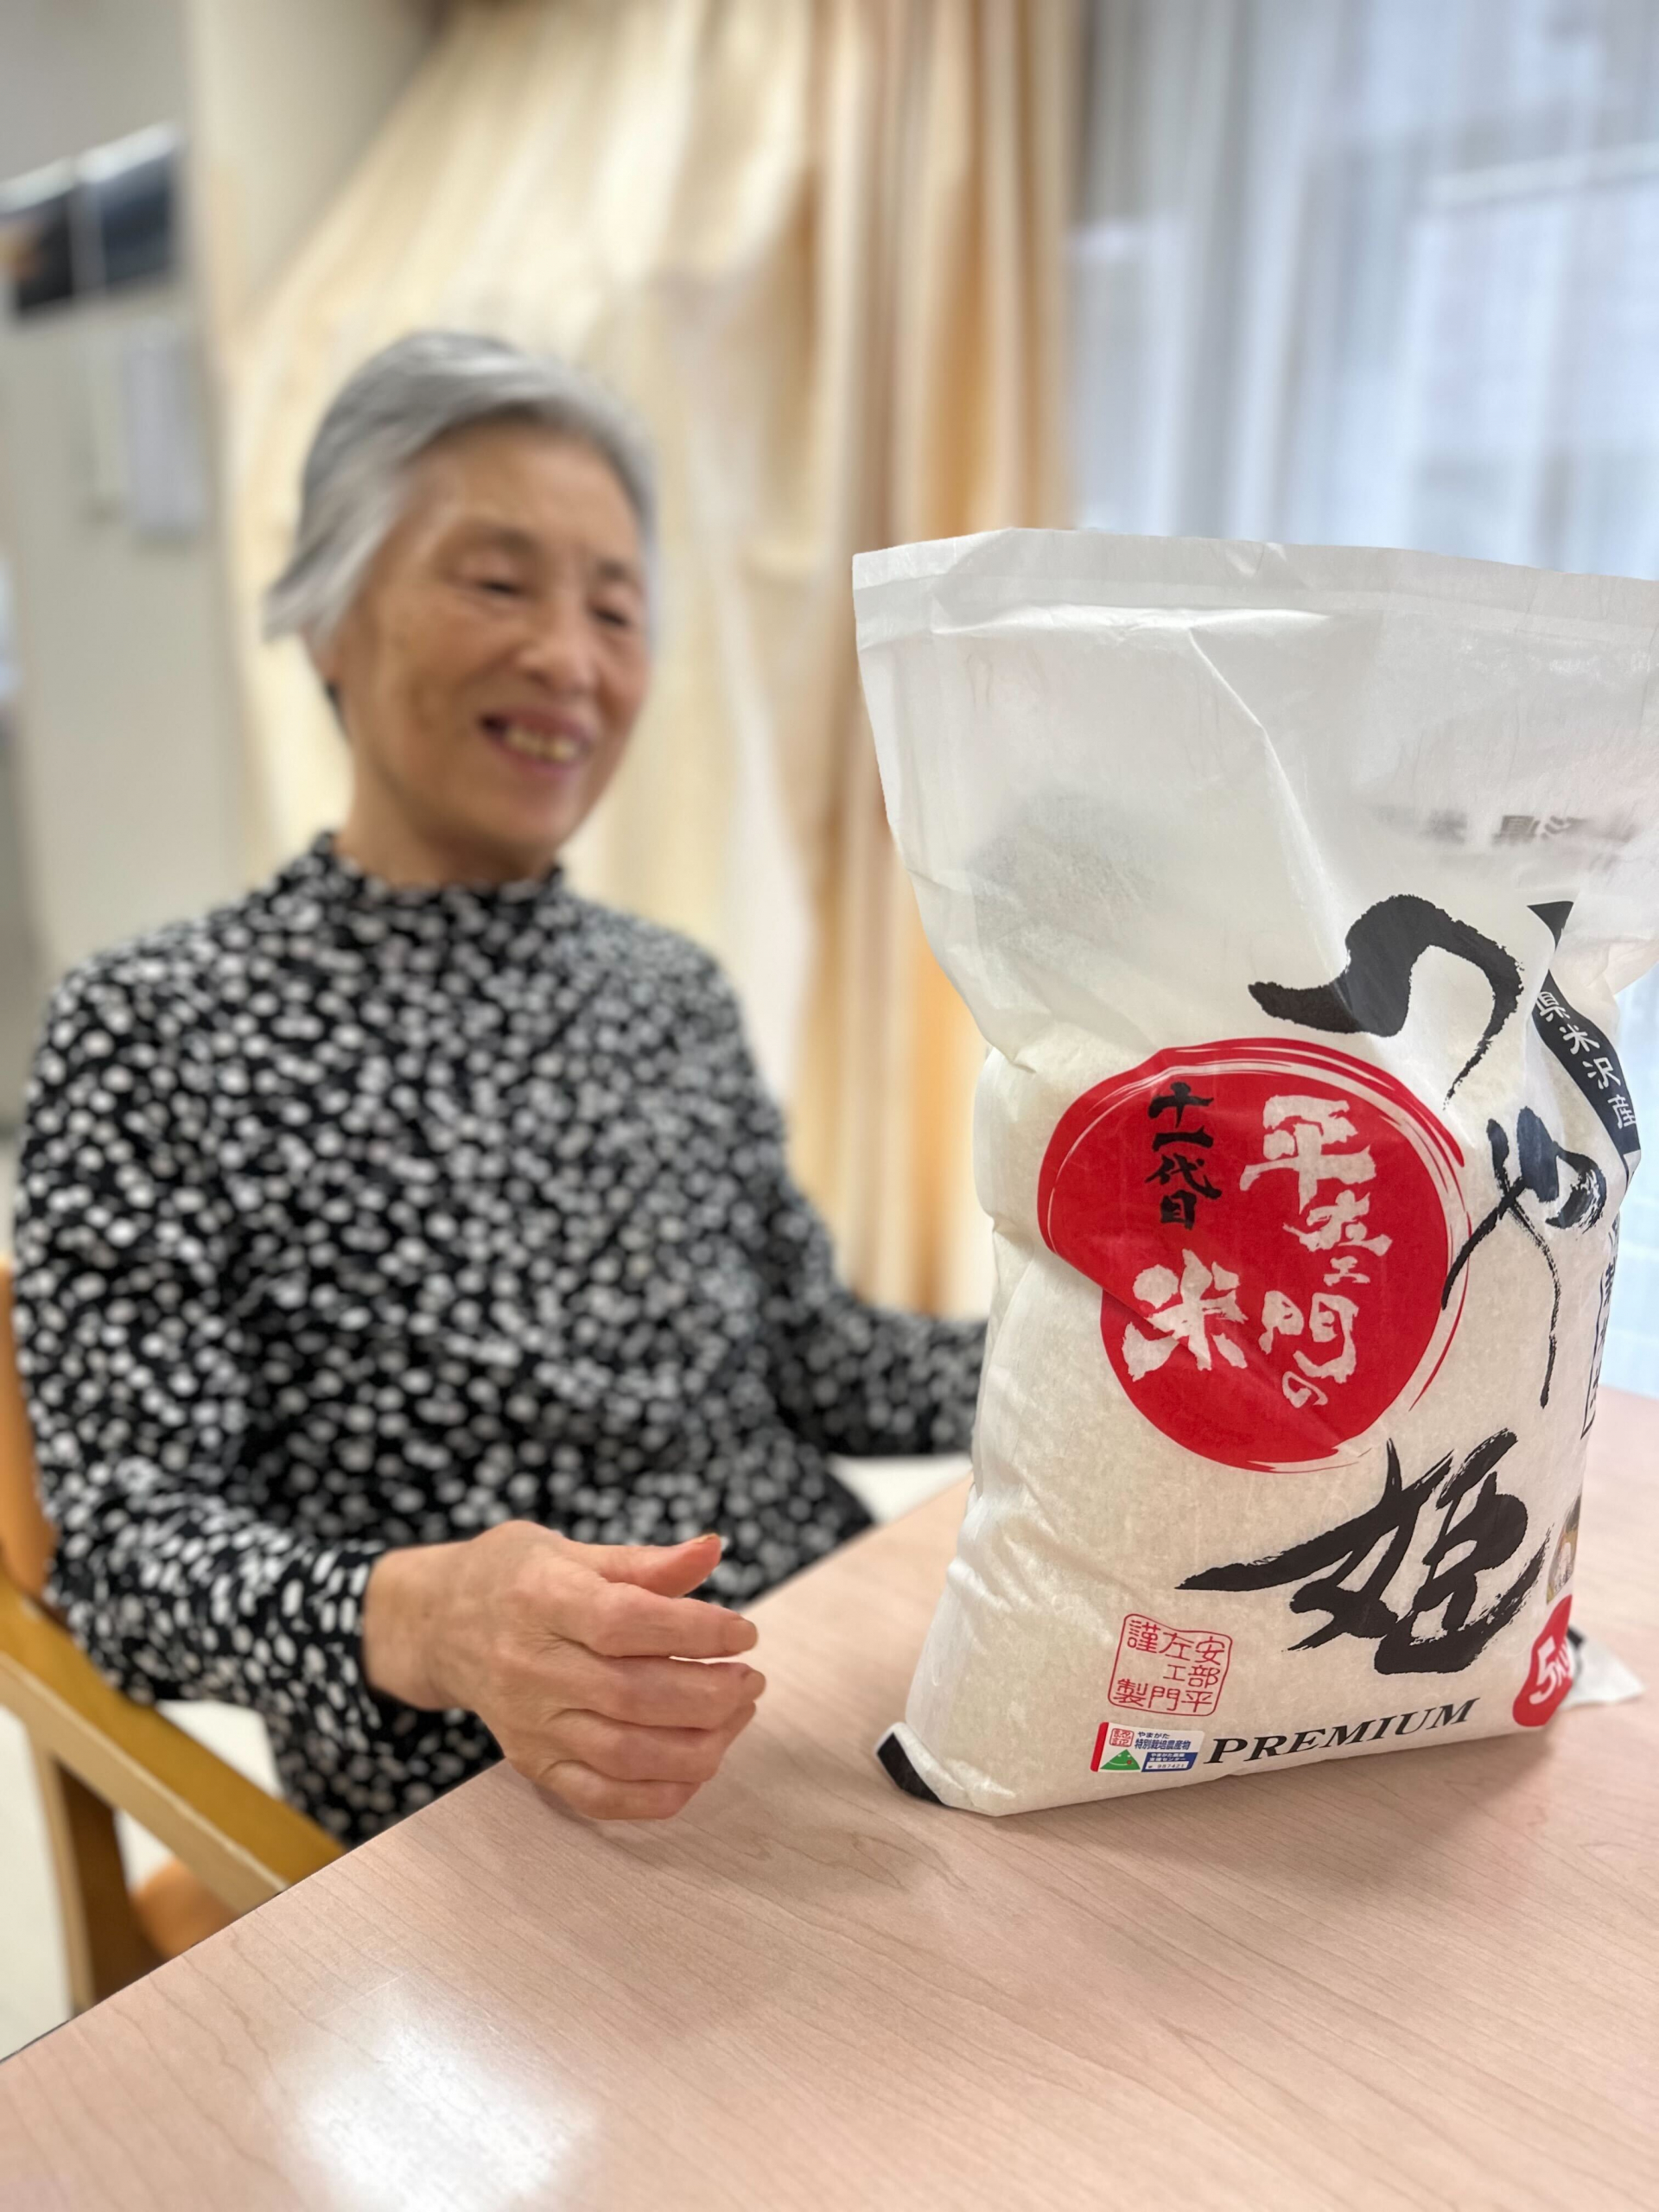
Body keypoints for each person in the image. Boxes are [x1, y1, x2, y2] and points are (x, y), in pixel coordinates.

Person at [12, 332, 982, 1844]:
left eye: (616, 608)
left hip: (831, 1675)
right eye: (497, 583)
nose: (571, 662)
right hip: (497, 1794)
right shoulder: (156, 1034)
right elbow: (127, 1557)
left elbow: (818, 1361)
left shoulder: (667, 992)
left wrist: (1115, 1345)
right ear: (329, 616)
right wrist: (431, 1617)